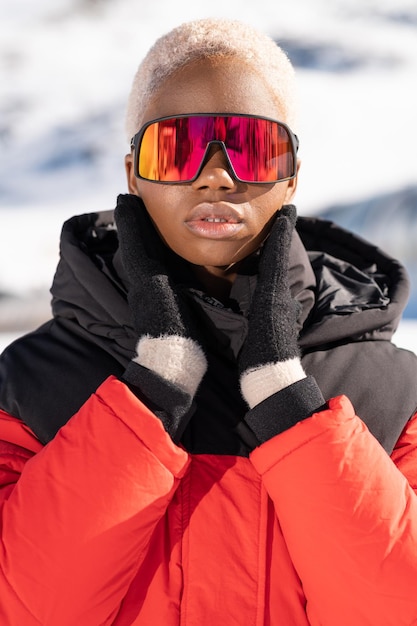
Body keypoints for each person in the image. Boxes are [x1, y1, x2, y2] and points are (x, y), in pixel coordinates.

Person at [0, 17, 416, 626]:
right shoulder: (30, 384)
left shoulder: (394, 392)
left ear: (292, 174)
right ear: (132, 175)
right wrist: (148, 397)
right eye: (176, 150)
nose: (216, 175)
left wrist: (291, 410)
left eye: (249, 149)